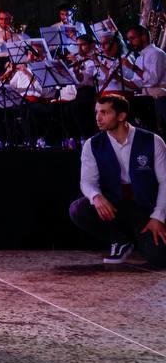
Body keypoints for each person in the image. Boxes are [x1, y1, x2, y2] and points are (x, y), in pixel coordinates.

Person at [68, 95, 166, 266]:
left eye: (104, 112)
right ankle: (118, 240)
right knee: (79, 209)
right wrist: (96, 197)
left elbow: (165, 182)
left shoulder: (153, 141)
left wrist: (158, 217)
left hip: (145, 207)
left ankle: (142, 241)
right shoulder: (92, 144)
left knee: (158, 258)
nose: (98, 117)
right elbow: (86, 181)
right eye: (97, 112)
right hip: (114, 204)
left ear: (121, 116)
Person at [126, 25, 166, 132]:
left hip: (159, 100)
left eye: (132, 38)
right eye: (128, 39)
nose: (130, 42)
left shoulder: (156, 53)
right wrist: (116, 76)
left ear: (143, 37)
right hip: (145, 101)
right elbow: (136, 83)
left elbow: (153, 80)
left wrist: (132, 67)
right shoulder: (139, 57)